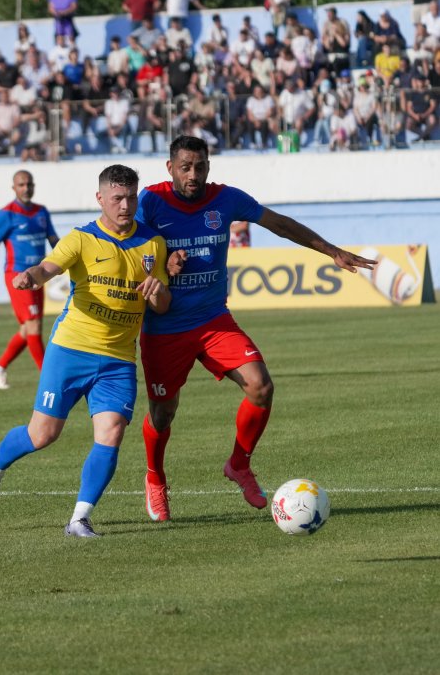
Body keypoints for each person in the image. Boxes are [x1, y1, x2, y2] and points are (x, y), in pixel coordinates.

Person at [133, 135, 376, 522]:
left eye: (199, 166)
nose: (193, 174)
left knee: (261, 386)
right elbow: (131, 247)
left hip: (214, 320)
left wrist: (332, 250)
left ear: (209, 166)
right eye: (185, 167)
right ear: (170, 168)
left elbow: (278, 223)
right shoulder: (149, 201)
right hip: (166, 327)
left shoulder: (226, 199)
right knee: (163, 414)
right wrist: (161, 263)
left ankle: (239, 464)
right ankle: (155, 477)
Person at [0, 164, 171, 538]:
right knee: (43, 434)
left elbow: (161, 303)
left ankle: (79, 518)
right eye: (117, 198)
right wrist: (30, 276)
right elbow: (48, 267)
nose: (125, 206)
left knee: (111, 431)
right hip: (70, 350)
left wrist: (158, 292)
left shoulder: (153, 244)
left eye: (131, 197)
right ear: (100, 199)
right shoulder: (81, 239)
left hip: (118, 360)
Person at [0, 170, 59, 390]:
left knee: (27, 330)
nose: (26, 188)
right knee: (34, 326)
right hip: (17, 277)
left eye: (29, 184)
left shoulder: (42, 212)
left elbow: (55, 242)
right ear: (14, 188)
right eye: (21, 184)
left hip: (37, 275)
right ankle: (48, 378)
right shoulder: (6, 214)